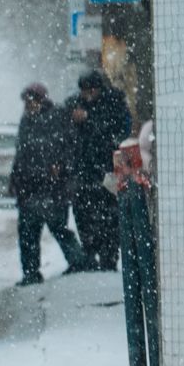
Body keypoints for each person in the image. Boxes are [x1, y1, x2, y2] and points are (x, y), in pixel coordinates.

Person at [9, 82, 89, 285]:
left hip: (52, 188)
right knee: (28, 233)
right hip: (30, 188)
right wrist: (15, 179)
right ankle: (31, 273)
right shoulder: (27, 121)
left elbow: (69, 146)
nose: (28, 105)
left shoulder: (57, 117)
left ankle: (77, 262)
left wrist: (60, 167)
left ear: (40, 100)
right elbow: (21, 153)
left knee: (58, 228)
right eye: (26, 102)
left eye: (31, 101)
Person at [66, 69, 131, 271]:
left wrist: (90, 119)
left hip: (108, 169)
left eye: (90, 90)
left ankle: (108, 257)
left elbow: (114, 132)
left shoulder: (114, 105)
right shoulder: (76, 105)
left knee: (109, 217)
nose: (87, 94)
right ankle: (90, 253)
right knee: (84, 214)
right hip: (85, 171)